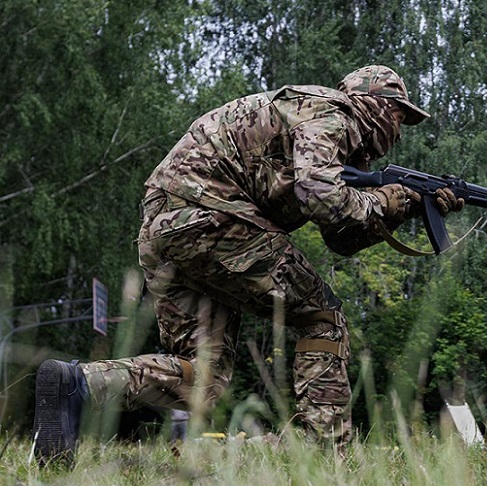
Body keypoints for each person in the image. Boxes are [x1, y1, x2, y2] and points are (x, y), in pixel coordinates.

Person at [32, 65, 464, 463]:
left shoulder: (323, 127)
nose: (399, 131)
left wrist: (402, 209)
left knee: (204, 377)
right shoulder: (335, 114)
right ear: (373, 103)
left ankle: (79, 384)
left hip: (167, 225)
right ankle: (324, 447)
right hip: (210, 215)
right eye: (399, 115)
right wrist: (382, 201)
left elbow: (340, 238)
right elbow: (319, 195)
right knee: (323, 317)